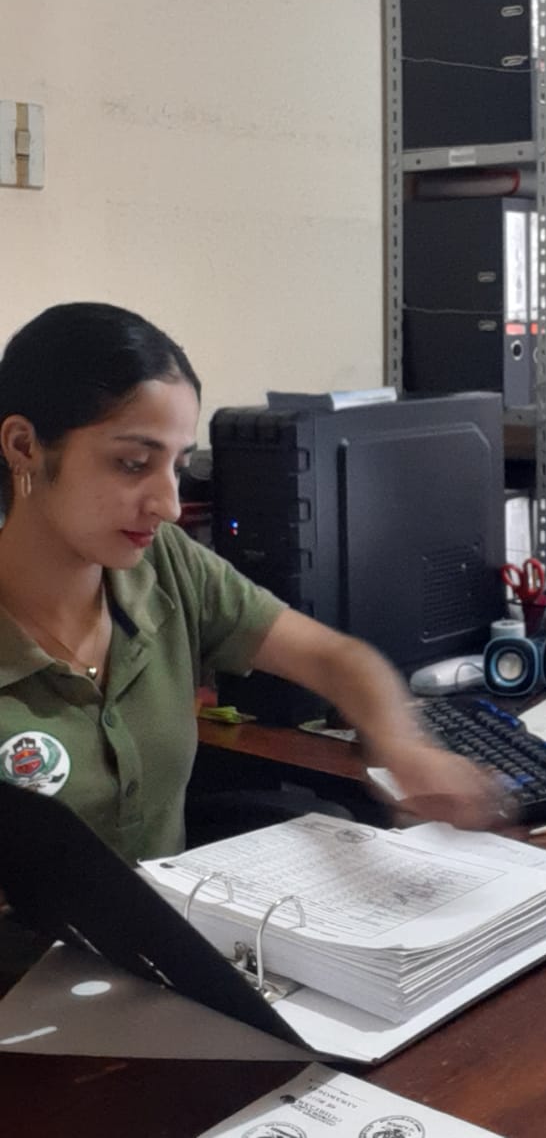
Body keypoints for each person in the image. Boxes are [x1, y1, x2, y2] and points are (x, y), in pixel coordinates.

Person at [0, 302, 499, 865]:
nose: (168, 505)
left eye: (178, 467)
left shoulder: (164, 565)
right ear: (24, 446)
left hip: (168, 918)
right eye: (133, 464)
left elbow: (336, 659)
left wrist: (405, 748)